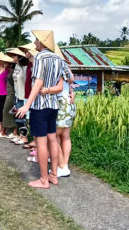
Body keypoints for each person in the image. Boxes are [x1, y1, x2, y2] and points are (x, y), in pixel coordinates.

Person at [16, 30, 64, 189]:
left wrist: (27, 104)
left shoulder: (39, 58)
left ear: (42, 42)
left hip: (39, 106)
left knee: (41, 142)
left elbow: (38, 82)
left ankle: (43, 179)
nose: (35, 43)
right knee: (53, 139)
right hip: (53, 105)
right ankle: (54, 175)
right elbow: (61, 84)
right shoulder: (58, 58)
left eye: (36, 40)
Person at [54, 44, 76, 178]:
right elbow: (71, 81)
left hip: (61, 103)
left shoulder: (58, 66)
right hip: (68, 102)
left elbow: (69, 79)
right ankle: (64, 164)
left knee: (54, 135)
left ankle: (62, 166)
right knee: (65, 136)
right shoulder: (65, 66)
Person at [7, 48, 29, 145]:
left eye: (14, 55)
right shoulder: (16, 66)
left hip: (23, 96)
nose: (13, 57)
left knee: (22, 118)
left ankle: (24, 137)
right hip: (17, 95)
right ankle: (21, 135)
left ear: (19, 57)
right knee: (17, 117)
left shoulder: (25, 67)